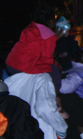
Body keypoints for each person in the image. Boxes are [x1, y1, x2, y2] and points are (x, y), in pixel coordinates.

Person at [5, 10, 68, 139]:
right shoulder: (43, 78)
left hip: (14, 67)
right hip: (38, 132)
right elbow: (44, 108)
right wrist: (62, 129)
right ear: (50, 21)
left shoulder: (10, 82)